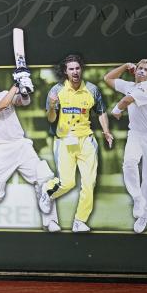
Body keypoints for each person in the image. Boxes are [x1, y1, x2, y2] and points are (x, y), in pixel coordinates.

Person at [0, 76, 61, 232]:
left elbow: (23, 102)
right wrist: (16, 84)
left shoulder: (5, 93)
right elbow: (3, 104)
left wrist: (24, 91)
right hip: (1, 150)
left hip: (21, 145)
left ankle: (50, 221)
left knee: (44, 178)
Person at [43, 54, 113, 233]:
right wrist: (52, 105)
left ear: (81, 69)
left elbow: (101, 111)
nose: (75, 72)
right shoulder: (56, 91)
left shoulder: (92, 90)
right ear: (65, 72)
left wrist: (106, 131)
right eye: (71, 69)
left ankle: (80, 221)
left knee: (89, 183)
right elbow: (51, 118)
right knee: (67, 183)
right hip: (64, 141)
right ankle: (47, 191)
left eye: (77, 68)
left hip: (86, 141)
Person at [103, 59, 147, 233]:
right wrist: (124, 66)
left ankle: (145, 215)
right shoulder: (130, 85)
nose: (143, 71)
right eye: (140, 68)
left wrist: (116, 109)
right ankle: (137, 198)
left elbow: (127, 100)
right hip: (136, 134)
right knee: (129, 163)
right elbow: (107, 78)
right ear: (135, 70)